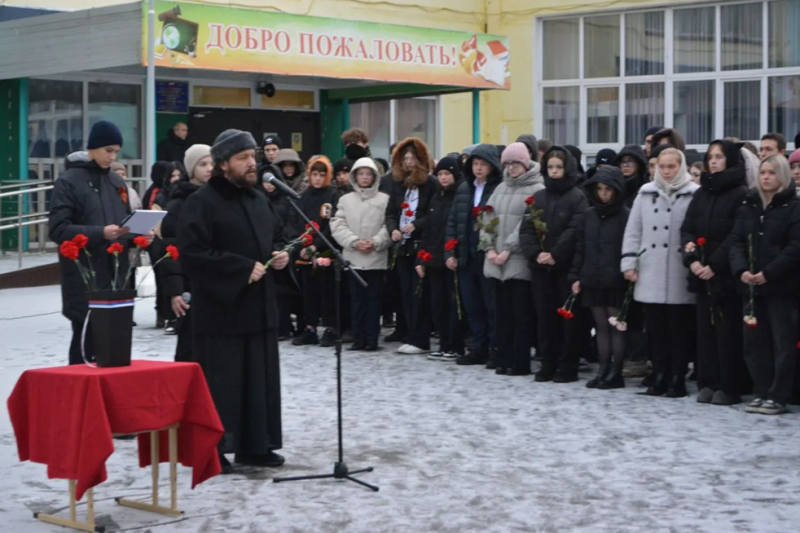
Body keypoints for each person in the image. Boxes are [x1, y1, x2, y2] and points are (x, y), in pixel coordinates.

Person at [178, 129, 290, 472]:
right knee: (223, 385)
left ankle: (255, 446)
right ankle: (215, 449)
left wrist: (280, 255)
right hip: (222, 313)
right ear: (223, 164)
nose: (252, 163)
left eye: (252, 156)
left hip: (259, 308)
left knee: (258, 382)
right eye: (243, 158)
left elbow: (276, 237)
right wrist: (240, 269)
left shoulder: (258, 199)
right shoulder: (202, 202)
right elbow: (192, 254)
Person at [49, 120, 133, 365]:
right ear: (92, 148)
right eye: (108, 150)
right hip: (84, 276)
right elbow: (58, 228)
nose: (112, 157)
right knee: (85, 344)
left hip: (116, 276)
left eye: (116, 151)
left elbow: (124, 223)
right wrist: (100, 233)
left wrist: (138, 236)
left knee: (114, 349)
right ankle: (77, 387)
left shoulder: (116, 182)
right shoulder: (69, 181)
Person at [622, 147, 698, 398]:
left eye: (671, 166)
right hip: (651, 269)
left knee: (678, 329)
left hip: (678, 269)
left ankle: (677, 378)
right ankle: (660, 374)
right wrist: (629, 263)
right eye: (661, 166)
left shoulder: (694, 193)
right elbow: (634, 230)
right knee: (655, 329)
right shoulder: (645, 193)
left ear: (681, 166)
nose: (665, 171)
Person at [680, 140, 751, 405]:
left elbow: (737, 234)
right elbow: (687, 229)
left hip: (726, 276)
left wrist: (715, 265)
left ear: (730, 160)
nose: (713, 161)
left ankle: (729, 385)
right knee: (705, 331)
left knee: (727, 331)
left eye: (719, 157)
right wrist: (692, 260)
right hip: (701, 274)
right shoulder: (701, 194)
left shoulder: (741, 193)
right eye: (710, 156)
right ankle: (708, 381)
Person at [730, 155, 800, 415]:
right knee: (754, 342)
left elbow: (795, 247)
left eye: (772, 172)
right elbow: (736, 241)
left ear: (783, 176)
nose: (766, 177)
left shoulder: (794, 207)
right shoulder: (749, 206)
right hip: (751, 287)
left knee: (782, 343)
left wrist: (769, 272)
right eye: (763, 172)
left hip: (781, 287)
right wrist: (741, 270)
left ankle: (778, 395)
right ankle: (760, 390)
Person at [520, 145, 589, 383]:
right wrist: (536, 253)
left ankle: (568, 364)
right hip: (541, 268)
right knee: (545, 317)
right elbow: (527, 229)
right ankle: (548, 362)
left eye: (559, 167)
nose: (554, 171)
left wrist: (556, 253)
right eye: (550, 167)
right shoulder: (539, 197)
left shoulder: (577, 197)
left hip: (565, 268)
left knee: (568, 318)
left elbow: (575, 229)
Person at [483, 143, 545, 376]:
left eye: (516, 163)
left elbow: (527, 224)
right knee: (501, 314)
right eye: (507, 164)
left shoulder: (536, 188)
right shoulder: (500, 188)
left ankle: (520, 361)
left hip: (518, 259)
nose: (511, 168)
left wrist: (508, 249)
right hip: (496, 259)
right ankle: (503, 358)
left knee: (521, 314)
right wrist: (489, 247)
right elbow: (486, 218)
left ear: (525, 164)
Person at [570, 166, 630, 389]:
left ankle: (616, 371)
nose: (603, 194)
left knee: (617, 326)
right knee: (601, 326)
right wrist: (576, 275)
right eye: (600, 189)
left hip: (616, 280)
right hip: (592, 277)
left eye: (608, 189)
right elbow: (580, 248)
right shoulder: (588, 215)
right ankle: (603, 368)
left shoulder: (625, 215)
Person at [446, 143, 503, 367]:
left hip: (487, 254)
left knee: (492, 306)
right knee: (472, 305)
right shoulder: (464, 188)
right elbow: (453, 222)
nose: (478, 168)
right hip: (466, 254)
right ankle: (479, 347)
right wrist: (450, 251)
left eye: (483, 164)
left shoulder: (497, 189)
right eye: (475, 164)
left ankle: (495, 348)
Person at [331, 157, 391, 351]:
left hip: (376, 258)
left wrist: (376, 242)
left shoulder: (384, 200)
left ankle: (372, 338)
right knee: (356, 301)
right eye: (361, 174)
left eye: (368, 174)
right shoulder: (345, 200)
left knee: (374, 301)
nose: (364, 178)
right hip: (353, 258)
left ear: (374, 177)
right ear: (354, 176)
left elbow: (389, 225)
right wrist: (354, 242)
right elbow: (338, 225)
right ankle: (358, 338)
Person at [159, 144, 213, 362]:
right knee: (189, 345)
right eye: (203, 164)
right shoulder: (179, 203)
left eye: (212, 163)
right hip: (190, 285)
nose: (209, 169)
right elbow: (171, 249)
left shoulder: (218, 198)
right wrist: (175, 290)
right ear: (191, 169)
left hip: (214, 284)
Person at [385, 138, 436, 355]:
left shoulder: (430, 184)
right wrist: (393, 229)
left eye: (412, 158)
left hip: (420, 244)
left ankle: (420, 338)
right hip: (402, 246)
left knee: (419, 294)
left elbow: (433, 214)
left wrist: (416, 225)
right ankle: (409, 333)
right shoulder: (398, 184)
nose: (408, 162)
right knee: (405, 293)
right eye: (405, 158)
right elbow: (390, 212)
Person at [288, 156, 340, 347]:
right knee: (308, 292)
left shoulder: (333, 196)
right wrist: (301, 246)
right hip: (305, 251)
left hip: (325, 251)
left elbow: (332, 225)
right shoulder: (303, 197)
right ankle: (309, 327)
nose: (318, 178)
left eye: (322, 175)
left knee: (327, 291)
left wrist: (316, 245)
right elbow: (295, 223)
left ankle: (330, 328)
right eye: (315, 174)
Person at [417, 156, 465, 362]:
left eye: (447, 174)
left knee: (453, 304)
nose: (443, 178)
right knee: (437, 304)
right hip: (434, 259)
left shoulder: (460, 197)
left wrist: (454, 254)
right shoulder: (436, 198)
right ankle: (444, 343)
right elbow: (428, 229)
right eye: (440, 174)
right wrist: (421, 258)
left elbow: (458, 230)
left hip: (451, 259)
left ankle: (455, 345)